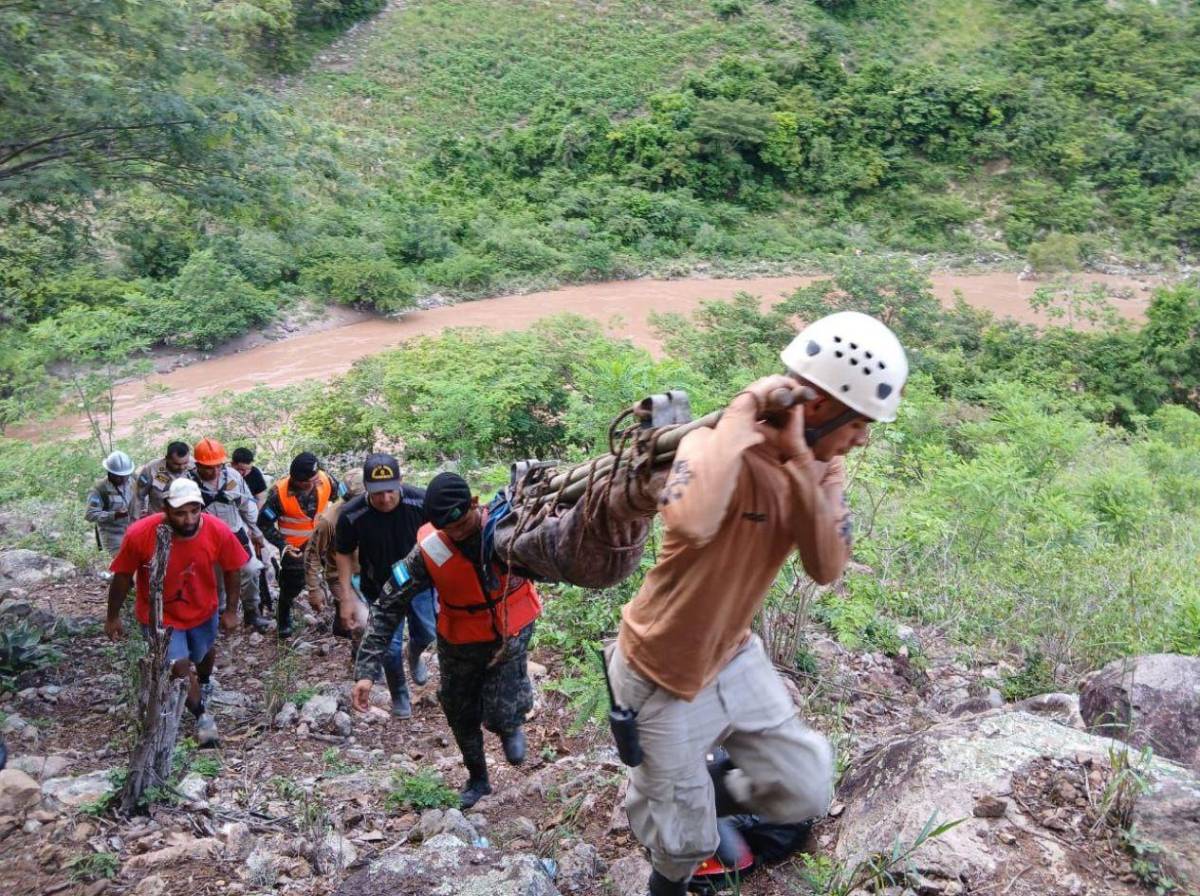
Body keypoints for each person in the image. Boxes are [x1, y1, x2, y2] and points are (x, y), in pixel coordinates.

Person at [607, 311, 909, 896]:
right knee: (685, 846)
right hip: (658, 670)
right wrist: (747, 406)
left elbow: (827, 567)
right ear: (820, 406)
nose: (864, 437)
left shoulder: (821, 466)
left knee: (807, 787)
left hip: (734, 657)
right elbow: (692, 523)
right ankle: (665, 846)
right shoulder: (711, 443)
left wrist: (801, 463)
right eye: (860, 422)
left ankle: (685, 784)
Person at [352, 472, 540, 809]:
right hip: (461, 638)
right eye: (443, 525)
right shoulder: (430, 549)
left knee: (500, 708)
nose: (453, 531)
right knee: (457, 707)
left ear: (473, 504)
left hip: (510, 630)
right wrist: (366, 669)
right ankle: (478, 780)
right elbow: (387, 605)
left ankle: (509, 722)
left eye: (458, 520)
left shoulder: (506, 529)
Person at [105, 478, 249, 747]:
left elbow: (233, 568)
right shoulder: (141, 533)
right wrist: (112, 616)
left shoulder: (217, 530)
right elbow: (123, 576)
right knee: (178, 666)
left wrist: (231, 609)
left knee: (204, 654)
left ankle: (204, 681)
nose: (188, 519)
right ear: (166, 508)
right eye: (180, 513)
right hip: (160, 616)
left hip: (203, 609)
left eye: (194, 511)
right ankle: (202, 716)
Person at [334, 454, 436, 719]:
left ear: (400, 483)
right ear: (367, 488)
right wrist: (346, 597)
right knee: (387, 648)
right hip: (378, 586)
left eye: (390, 490)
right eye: (377, 493)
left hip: (420, 583)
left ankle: (414, 653)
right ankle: (399, 693)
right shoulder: (352, 514)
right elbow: (343, 553)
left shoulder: (421, 501)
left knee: (427, 631)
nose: (385, 499)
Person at [189, 437, 270, 633]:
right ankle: (220, 614)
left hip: (235, 533)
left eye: (219, 466)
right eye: (209, 467)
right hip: (206, 538)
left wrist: (257, 532)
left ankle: (252, 612)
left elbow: (246, 505)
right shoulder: (188, 483)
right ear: (198, 464)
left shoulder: (232, 476)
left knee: (251, 570)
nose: (215, 471)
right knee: (216, 580)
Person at [258, 452, 341, 638]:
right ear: (296, 480)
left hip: (323, 540)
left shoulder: (325, 480)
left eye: (315, 478)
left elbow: (343, 500)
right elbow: (263, 523)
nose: (313, 484)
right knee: (292, 586)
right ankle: (284, 616)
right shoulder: (278, 493)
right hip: (295, 548)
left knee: (336, 577)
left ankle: (341, 619)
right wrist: (282, 545)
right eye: (307, 482)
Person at [231, 446, 273, 612]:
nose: (243, 473)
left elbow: (261, 498)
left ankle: (265, 594)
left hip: (252, 516)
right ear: (232, 464)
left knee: (263, 557)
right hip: (234, 520)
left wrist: (253, 523)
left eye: (246, 470)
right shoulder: (228, 477)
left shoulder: (254, 474)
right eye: (240, 469)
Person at [86, 451, 136, 556]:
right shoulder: (100, 489)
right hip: (113, 536)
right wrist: (114, 515)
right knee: (121, 565)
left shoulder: (133, 481)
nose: (123, 479)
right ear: (109, 472)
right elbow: (90, 514)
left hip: (134, 530)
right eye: (118, 476)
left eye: (125, 475)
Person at [135, 441, 194, 517]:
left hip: (185, 519)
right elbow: (138, 497)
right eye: (177, 464)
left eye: (185, 463)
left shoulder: (194, 466)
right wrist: (136, 519)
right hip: (159, 519)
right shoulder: (152, 469)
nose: (182, 467)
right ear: (167, 458)